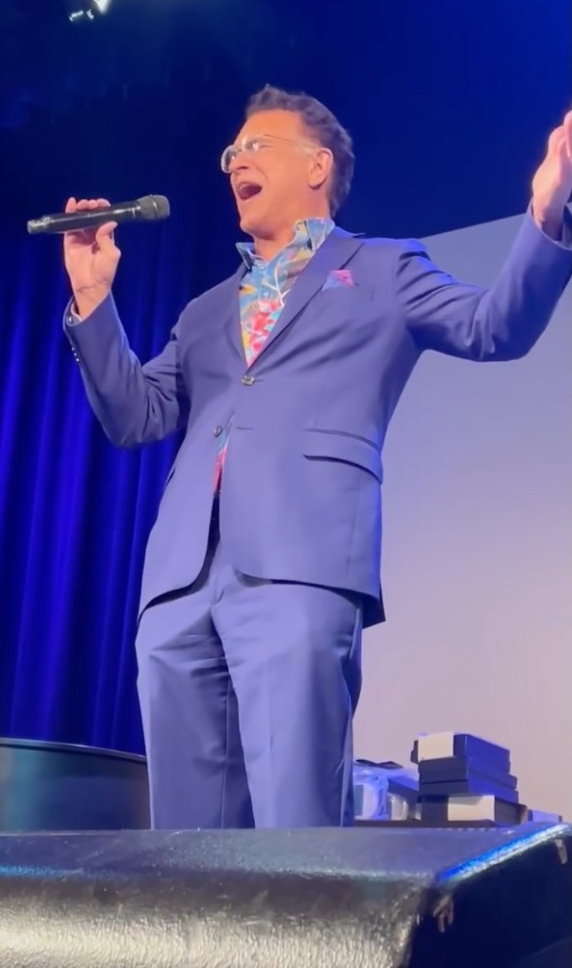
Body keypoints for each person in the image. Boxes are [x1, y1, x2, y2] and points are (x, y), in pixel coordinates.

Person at [63, 86, 572, 830]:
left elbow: (495, 325)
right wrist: (91, 299)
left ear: (316, 165)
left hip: (300, 568)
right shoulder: (204, 310)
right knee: (184, 849)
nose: (235, 160)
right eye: (230, 153)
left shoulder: (383, 269)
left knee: (293, 837)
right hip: (179, 583)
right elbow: (134, 414)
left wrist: (547, 210)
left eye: (255, 146)